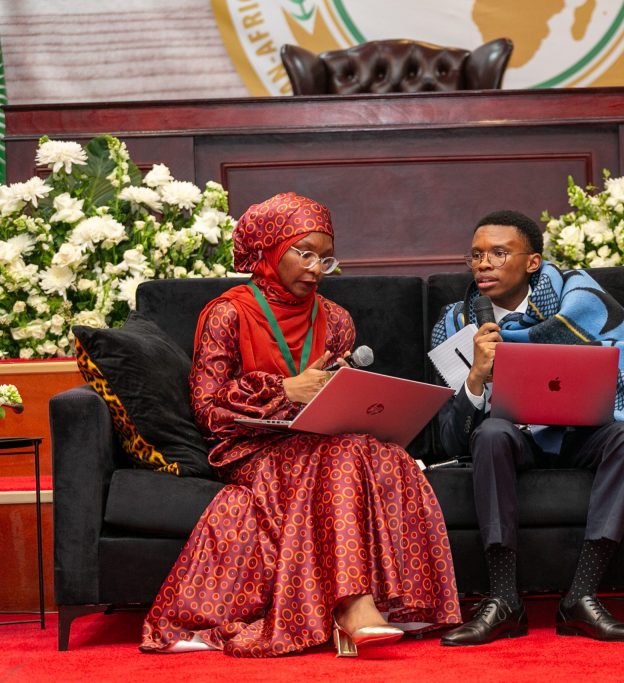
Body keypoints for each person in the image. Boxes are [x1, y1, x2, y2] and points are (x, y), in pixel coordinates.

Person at [140, 192, 460, 658]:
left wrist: (349, 395)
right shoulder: (227, 313)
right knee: (346, 454)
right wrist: (286, 390)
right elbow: (207, 410)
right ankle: (353, 608)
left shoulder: (337, 320)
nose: (315, 269)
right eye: (304, 254)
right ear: (269, 250)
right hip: (253, 448)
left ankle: (398, 603)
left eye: (326, 260)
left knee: (383, 453)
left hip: (323, 440)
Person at [431, 210, 624, 646]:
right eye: (476, 255)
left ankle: (581, 597)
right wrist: (477, 376)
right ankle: (503, 601)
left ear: (532, 262)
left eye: (498, 253)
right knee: (492, 433)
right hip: (514, 440)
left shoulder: (580, 303)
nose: (484, 264)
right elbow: (449, 439)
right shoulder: (457, 325)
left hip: (581, 434)